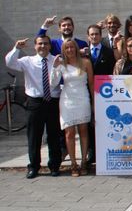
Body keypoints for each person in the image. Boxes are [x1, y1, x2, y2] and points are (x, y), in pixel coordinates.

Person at [5, 36, 62, 178]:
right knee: (34, 136)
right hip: (34, 102)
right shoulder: (27, 61)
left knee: (54, 135)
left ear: (50, 46)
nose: (43, 46)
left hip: (52, 101)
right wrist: (16, 48)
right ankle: (34, 167)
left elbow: (57, 81)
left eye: (45, 44)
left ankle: (54, 166)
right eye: (40, 44)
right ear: (35, 46)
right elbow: (10, 63)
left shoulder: (57, 60)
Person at [50, 39, 94, 176]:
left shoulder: (86, 63)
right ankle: (73, 163)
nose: (69, 50)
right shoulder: (61, 64)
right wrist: (55, 67)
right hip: (67, 100)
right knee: (69, 133)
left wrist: (94, 102)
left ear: (76, 48)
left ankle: (83, 163)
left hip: (83, 98)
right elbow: (53, 83)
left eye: (71, 47)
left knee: (83, 131)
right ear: (64, 50)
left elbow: (91, 84)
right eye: (66, 48)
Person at [86, 24, 116, 165]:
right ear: (88, 36)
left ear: (100, 35)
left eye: (96, 34)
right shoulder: (84, 53)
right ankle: (92, 152)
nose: (94, 36)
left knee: (104, 122)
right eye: (91, 34)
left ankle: (105, 149)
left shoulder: (108, 51)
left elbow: (112, 72)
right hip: (88, 91)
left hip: (105, 92)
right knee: (90, 123)